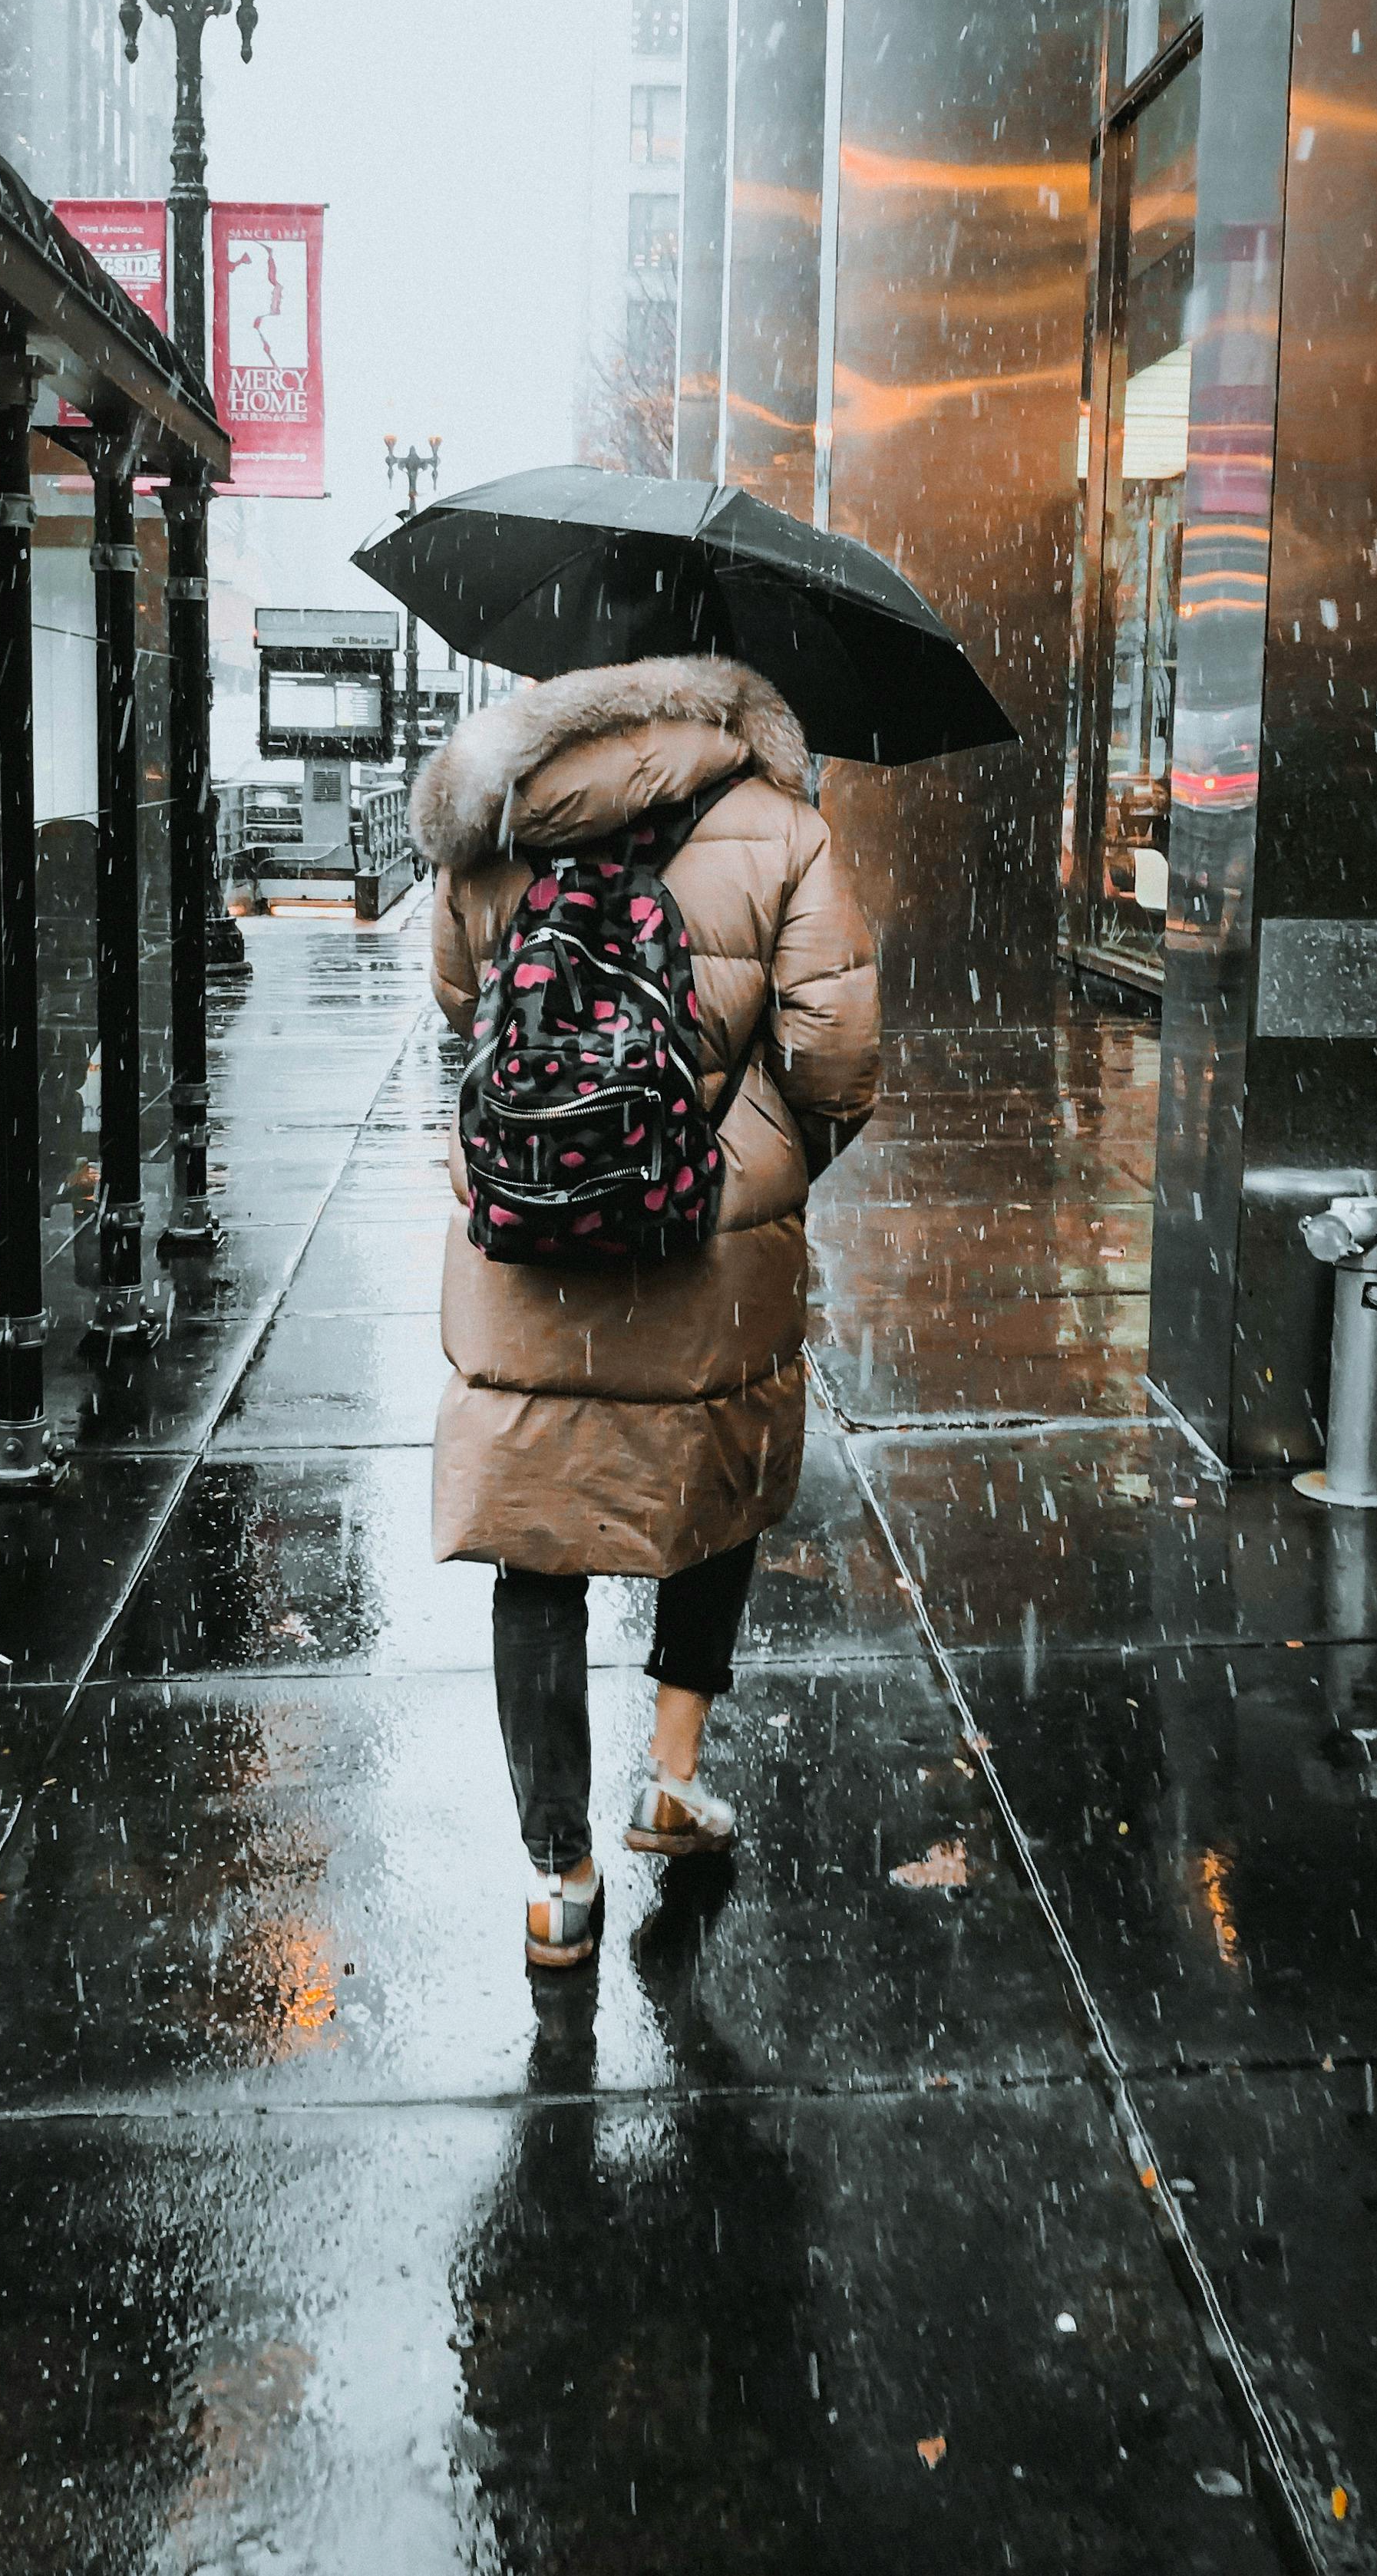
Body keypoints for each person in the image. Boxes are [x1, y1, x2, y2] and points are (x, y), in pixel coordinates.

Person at [412, 652, 880, 1967]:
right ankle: (670, 1779)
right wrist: (744, 1169)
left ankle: (557, 1874)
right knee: (709, 1492)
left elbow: (461, 1005)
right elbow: (836, 1061)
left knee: (536, 1539)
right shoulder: (784, 827)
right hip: (708, 1246)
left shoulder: (492, 812)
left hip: (525, 1249)